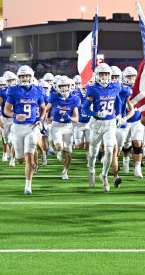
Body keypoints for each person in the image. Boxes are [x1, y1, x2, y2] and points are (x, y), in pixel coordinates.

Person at [4, 65, 45, 195]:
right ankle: (21, 161)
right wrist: (15, 115)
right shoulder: (13, 90)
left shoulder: (38, 90)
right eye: (22, 76)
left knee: (29, 157)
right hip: (17, 128)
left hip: (31, 128)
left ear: (31, 76)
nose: (25, 78)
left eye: (27, 76)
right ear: (18, 77)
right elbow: (6, 110)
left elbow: (43, 108)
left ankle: (28, 185)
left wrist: (40, 119)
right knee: (20, 159)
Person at [82, 63, 123, 192]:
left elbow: (118, 101)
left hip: (110, 123)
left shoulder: (115, 86)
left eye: (106, 74)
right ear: (97, 75)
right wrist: (96, 113)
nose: (104, 76)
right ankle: (91, 169)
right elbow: (84, 109)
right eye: (102, 74)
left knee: (110, 150)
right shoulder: (93, 89)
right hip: (97, 124)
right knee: (93, 152)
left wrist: (119, 114)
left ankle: (104, 176)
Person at [45, 76, 80, 180]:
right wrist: (43, 118)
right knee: (59, 147)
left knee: (68, 152)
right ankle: (59, 151)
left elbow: (76, 119)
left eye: (65, 85)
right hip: (56, 125)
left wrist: (70, 117)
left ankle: (65, 171)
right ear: (57, 87)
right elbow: (46, 109)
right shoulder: (54, 97)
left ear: (70, 86)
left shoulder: (74, 99)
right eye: (61, 86)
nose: (64, 88)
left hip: (68, 126)